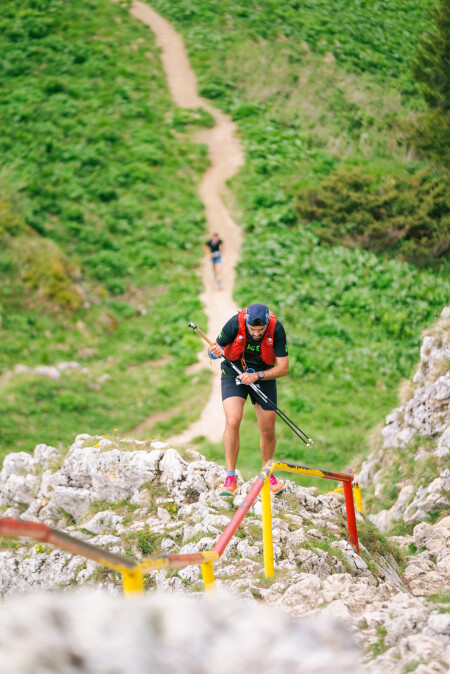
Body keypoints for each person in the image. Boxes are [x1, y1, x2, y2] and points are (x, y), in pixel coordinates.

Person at [208, 303, 289, 496]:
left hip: (263, 375)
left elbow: (284, 368)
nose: (256, 333)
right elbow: (214, 349)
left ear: (267, 324)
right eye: (252, 330)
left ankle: (267, 474)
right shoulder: (235, 323)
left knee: (268, 428)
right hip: (233, 372)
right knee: (233, 419)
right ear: (246, 323)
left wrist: (258, 376)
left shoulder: (276, 329)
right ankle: (230, 479)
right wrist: (214, 352)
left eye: (260, 330)